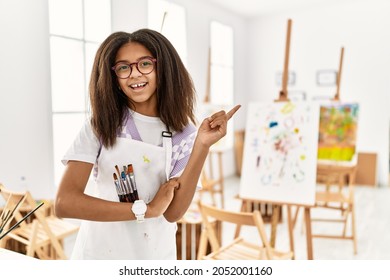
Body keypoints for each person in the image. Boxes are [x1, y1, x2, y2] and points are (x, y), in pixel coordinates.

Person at [54, 28, 240, 260]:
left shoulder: (185, 134)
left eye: (145, 64)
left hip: (152, 255)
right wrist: (145, 210)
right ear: (114, 77)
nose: (134, 74)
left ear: (163, 68)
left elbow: (173, 213)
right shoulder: (101, 125)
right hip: (98, 254)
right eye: (123, 67)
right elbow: (64, 203)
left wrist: (202, 145)